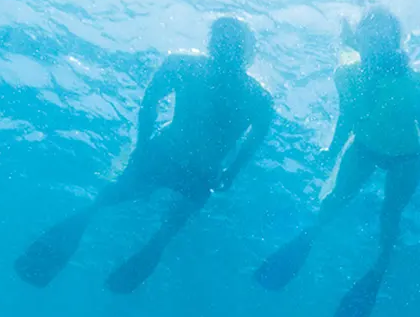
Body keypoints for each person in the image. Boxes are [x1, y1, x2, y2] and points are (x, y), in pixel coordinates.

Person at [15, 16, 274, 293]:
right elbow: (251, 142)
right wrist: (230, 173)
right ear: (248, 52)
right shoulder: (256, 96)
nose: (225, 48)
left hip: (169, 156)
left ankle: (133, 245)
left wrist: (142, 147)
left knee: (114, 204)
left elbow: (150, 102)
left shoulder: (188, 67)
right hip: (191, 166)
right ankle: (147, 250)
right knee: (164, 225)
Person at [253, 6, 420, 317]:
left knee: (389, 215)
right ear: (361, 40)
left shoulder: (414, 82)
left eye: (383, 34)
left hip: (406, 157)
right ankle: (309, 237)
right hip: (363, 147)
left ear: (395, 41)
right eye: (369, 33)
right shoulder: (346, 75)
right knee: (333, 201)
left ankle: (379, 268)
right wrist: (332, 150)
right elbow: (346, 117)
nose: (376, 40)